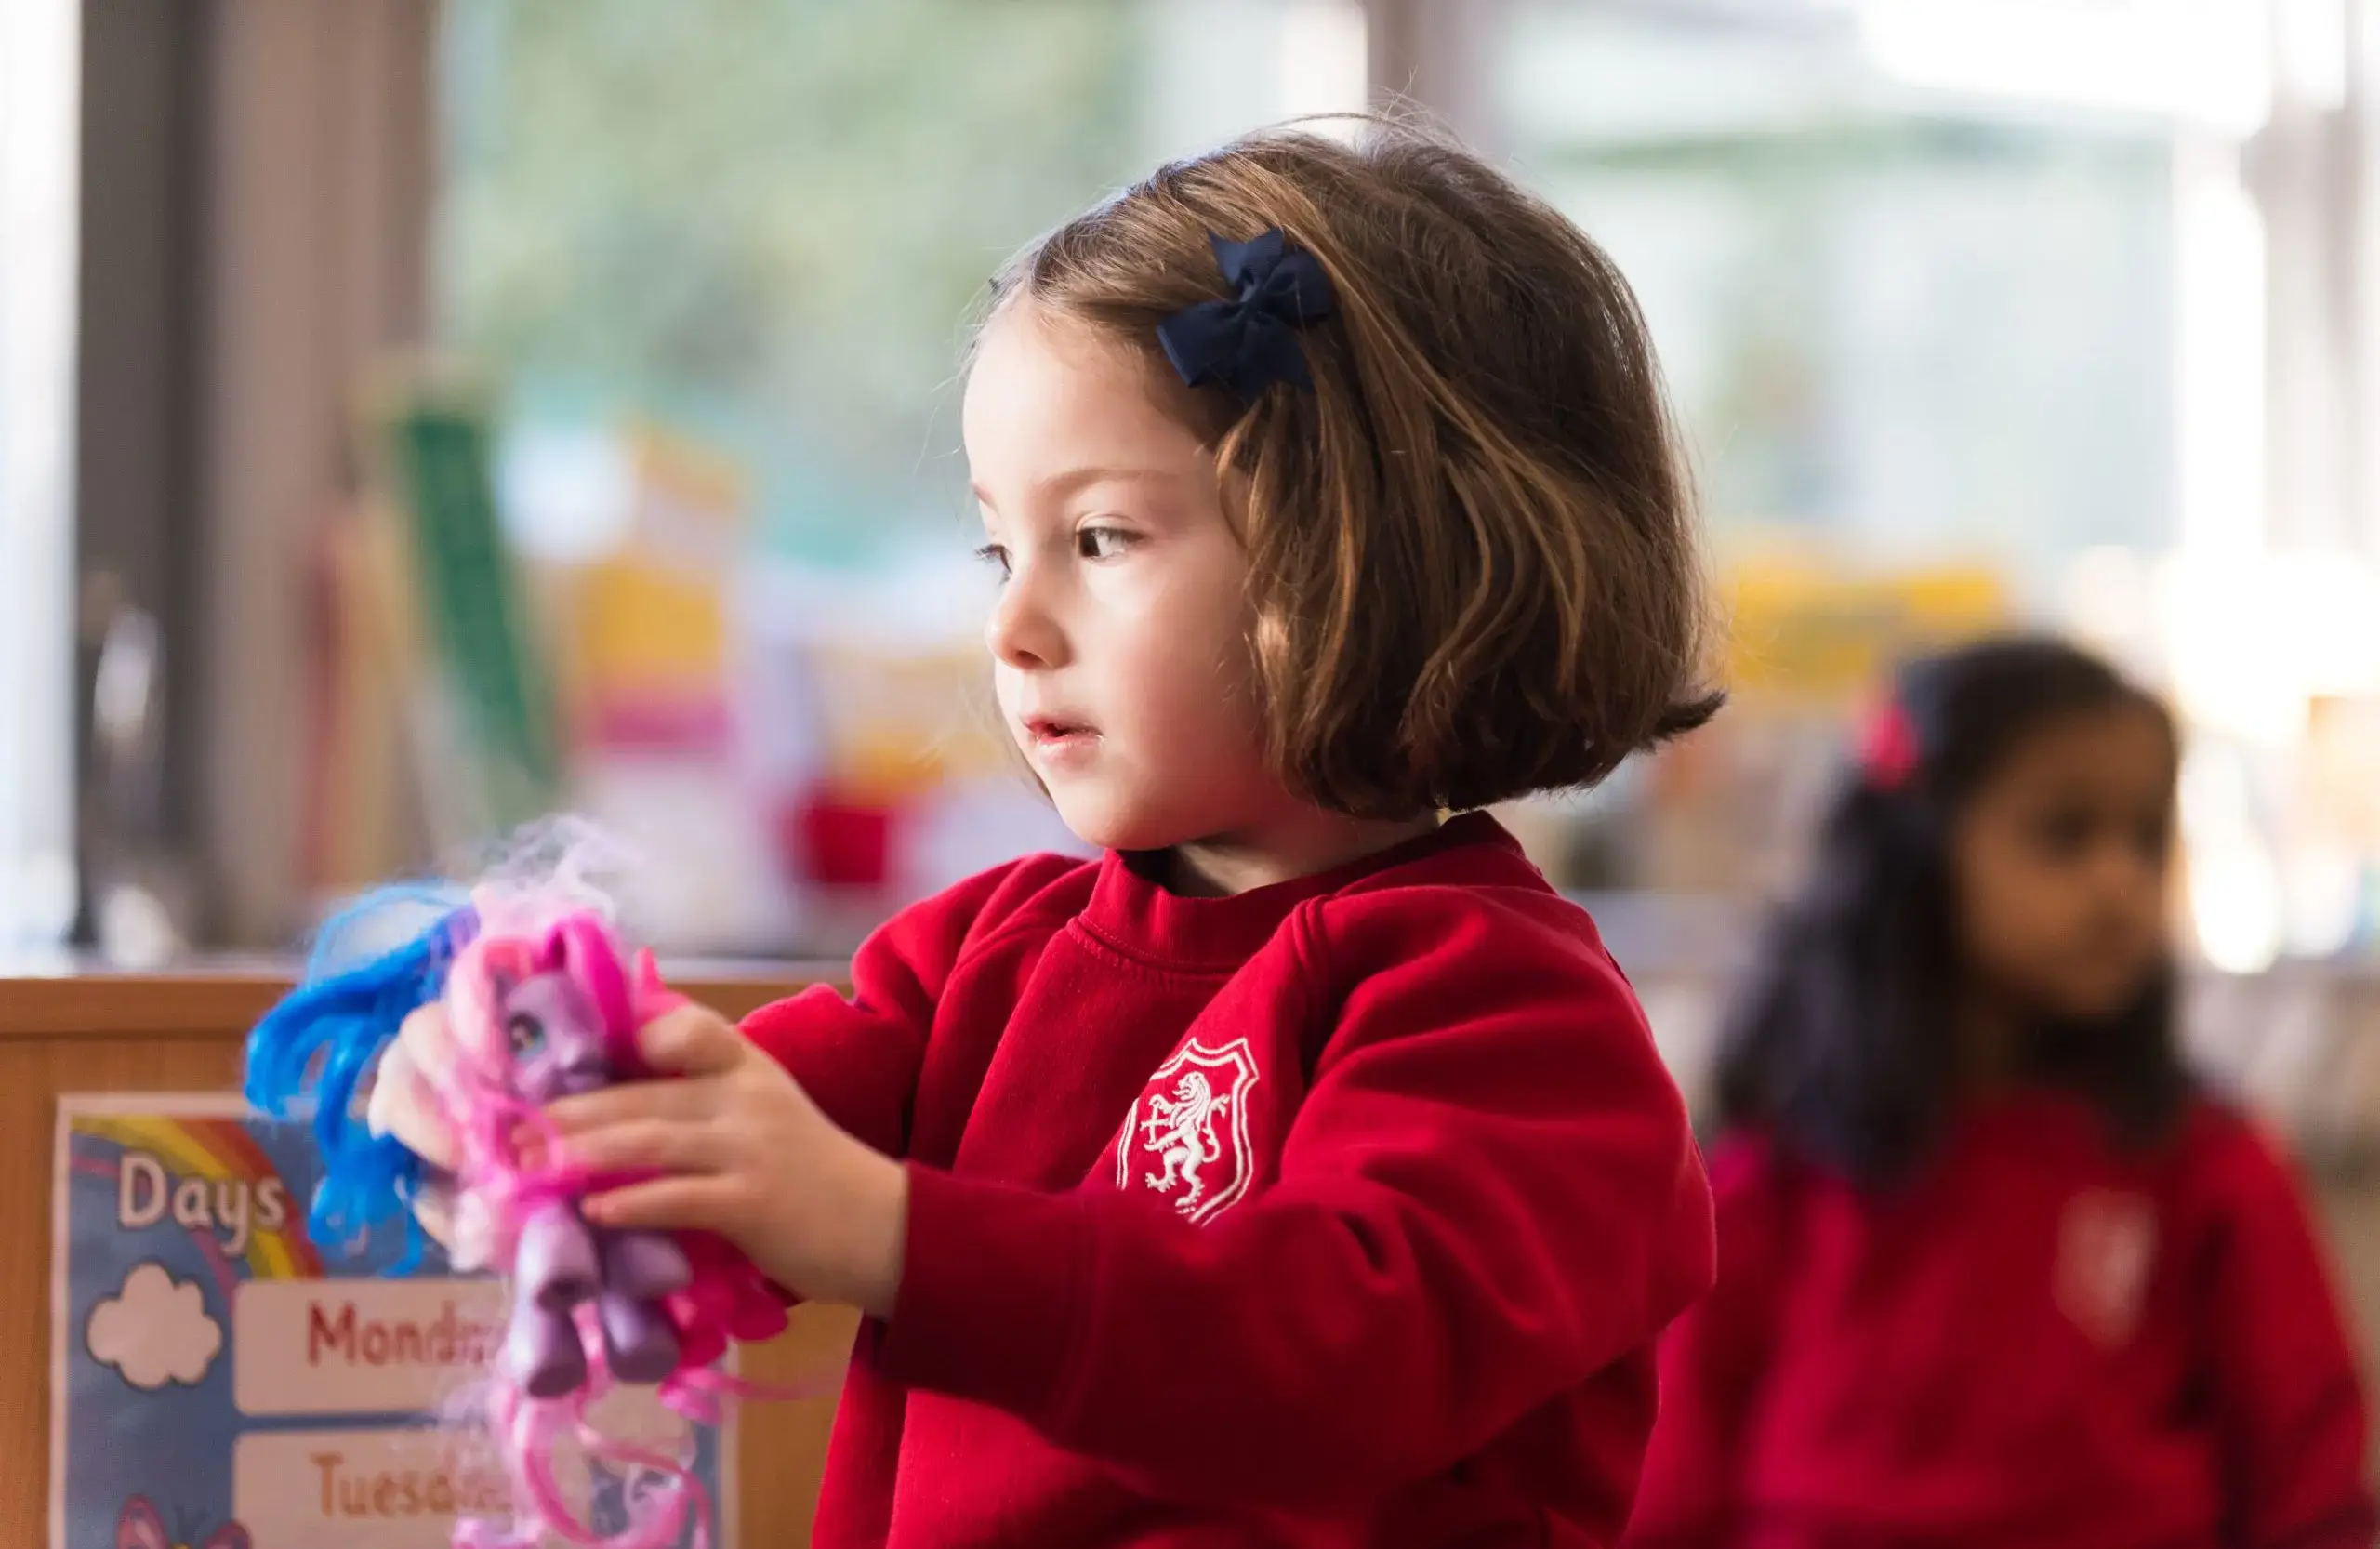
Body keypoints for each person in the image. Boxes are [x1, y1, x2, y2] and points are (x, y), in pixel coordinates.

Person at [375, 118, 1723, 1547]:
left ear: (1367, 554)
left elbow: (1332, 1356)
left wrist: (892, 1234)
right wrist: (533, 1115)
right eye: (998, 549)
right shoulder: (980, 960)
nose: (1012, 628)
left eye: (1101, 540)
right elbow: (732, 1152)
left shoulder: (1515, 1019)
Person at [1625, 636, 2376, 1549]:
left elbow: (2309, 1482)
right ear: (1918, 854)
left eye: (2145, 837)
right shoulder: (1780, 1163)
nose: (2119, 881)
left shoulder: (2205, 1160)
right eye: (2063, 834)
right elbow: (1671, 1488)